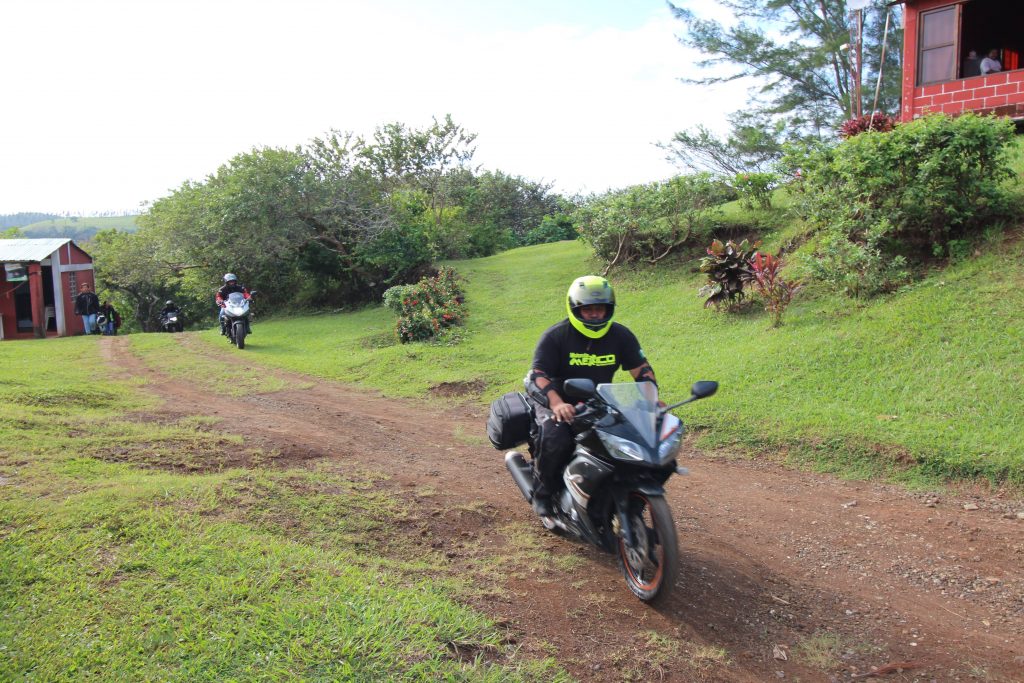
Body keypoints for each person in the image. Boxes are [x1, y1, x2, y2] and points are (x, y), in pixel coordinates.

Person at [523, 275, 659, 516]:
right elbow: (538, 375)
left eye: (600, 309)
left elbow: (642, 370)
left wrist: (651, 399)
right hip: (556, 398)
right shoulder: (556, 336)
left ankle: (628, 496)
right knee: (557, 439)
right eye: (588, 310)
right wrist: (556, 404)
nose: (595, 315)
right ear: (576, 309)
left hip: (598, 398)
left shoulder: (621, 336)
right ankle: (543, 493)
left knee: (641, 444)